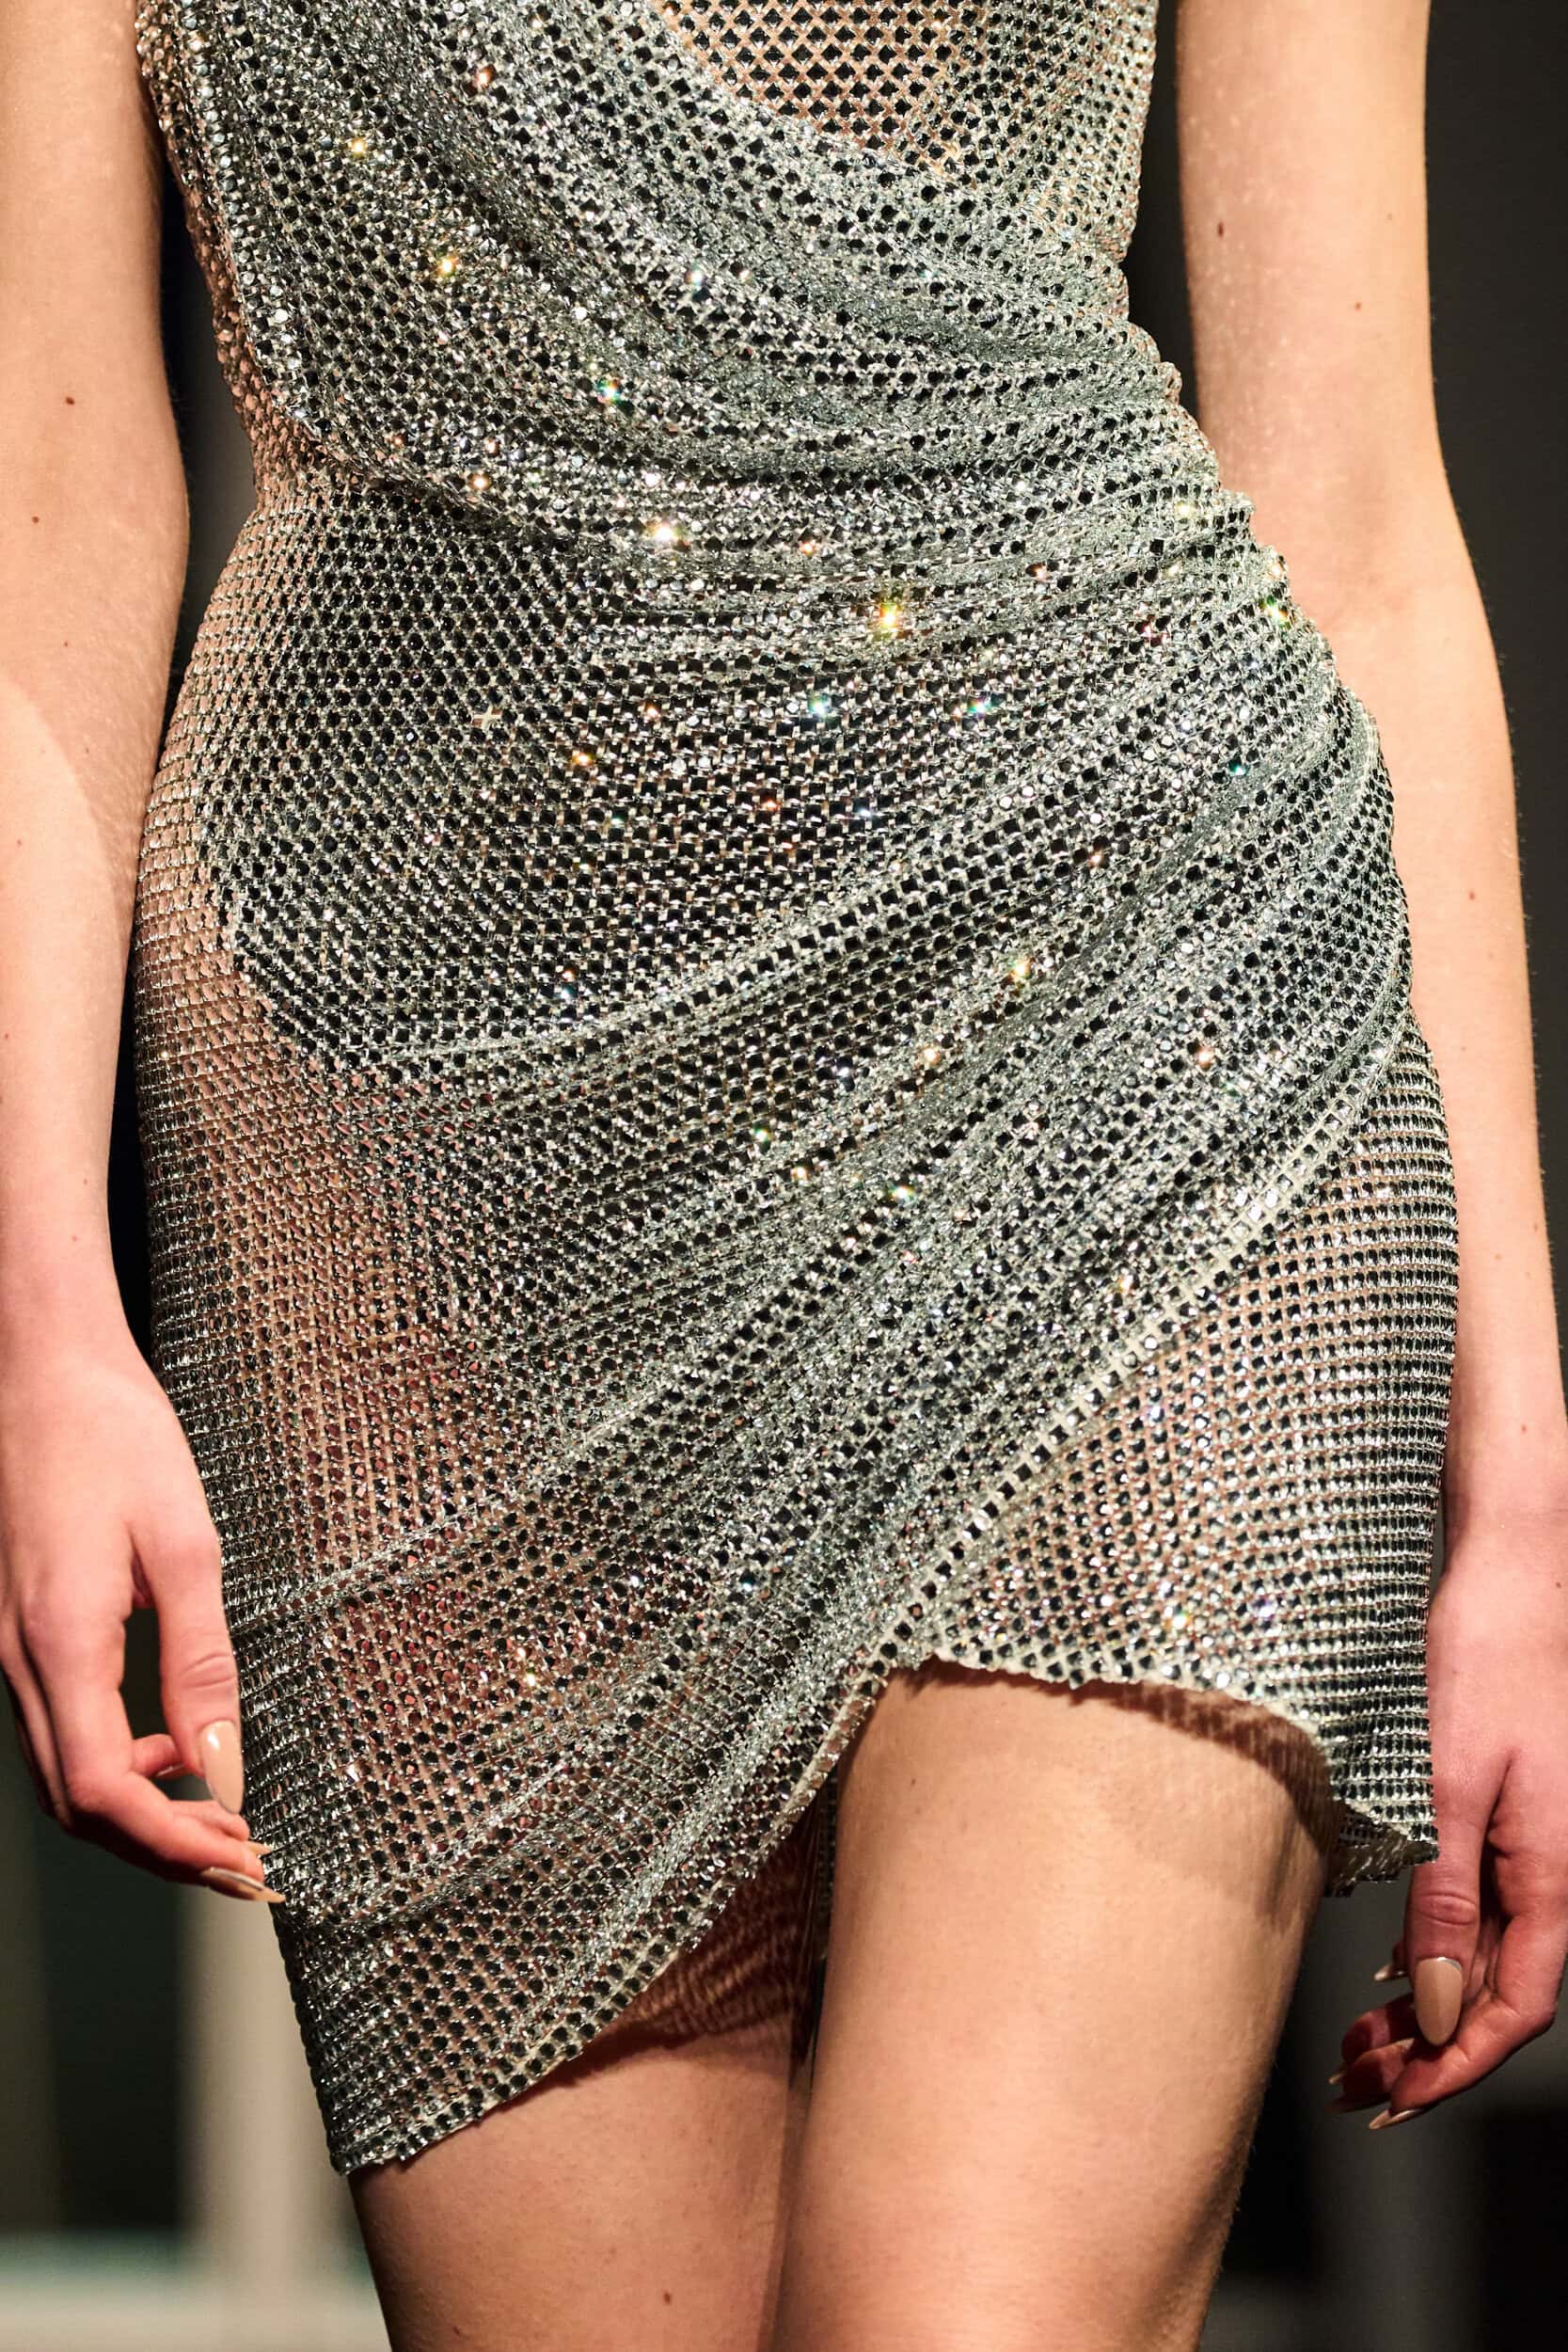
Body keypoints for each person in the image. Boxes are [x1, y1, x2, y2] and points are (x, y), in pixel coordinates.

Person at [2, 1, 1565, 2345]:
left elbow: (1353, 513)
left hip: (1144, 1015)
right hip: (426, 1145)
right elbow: (47, 492)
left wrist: (1515, 1481)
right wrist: (40, 1301)